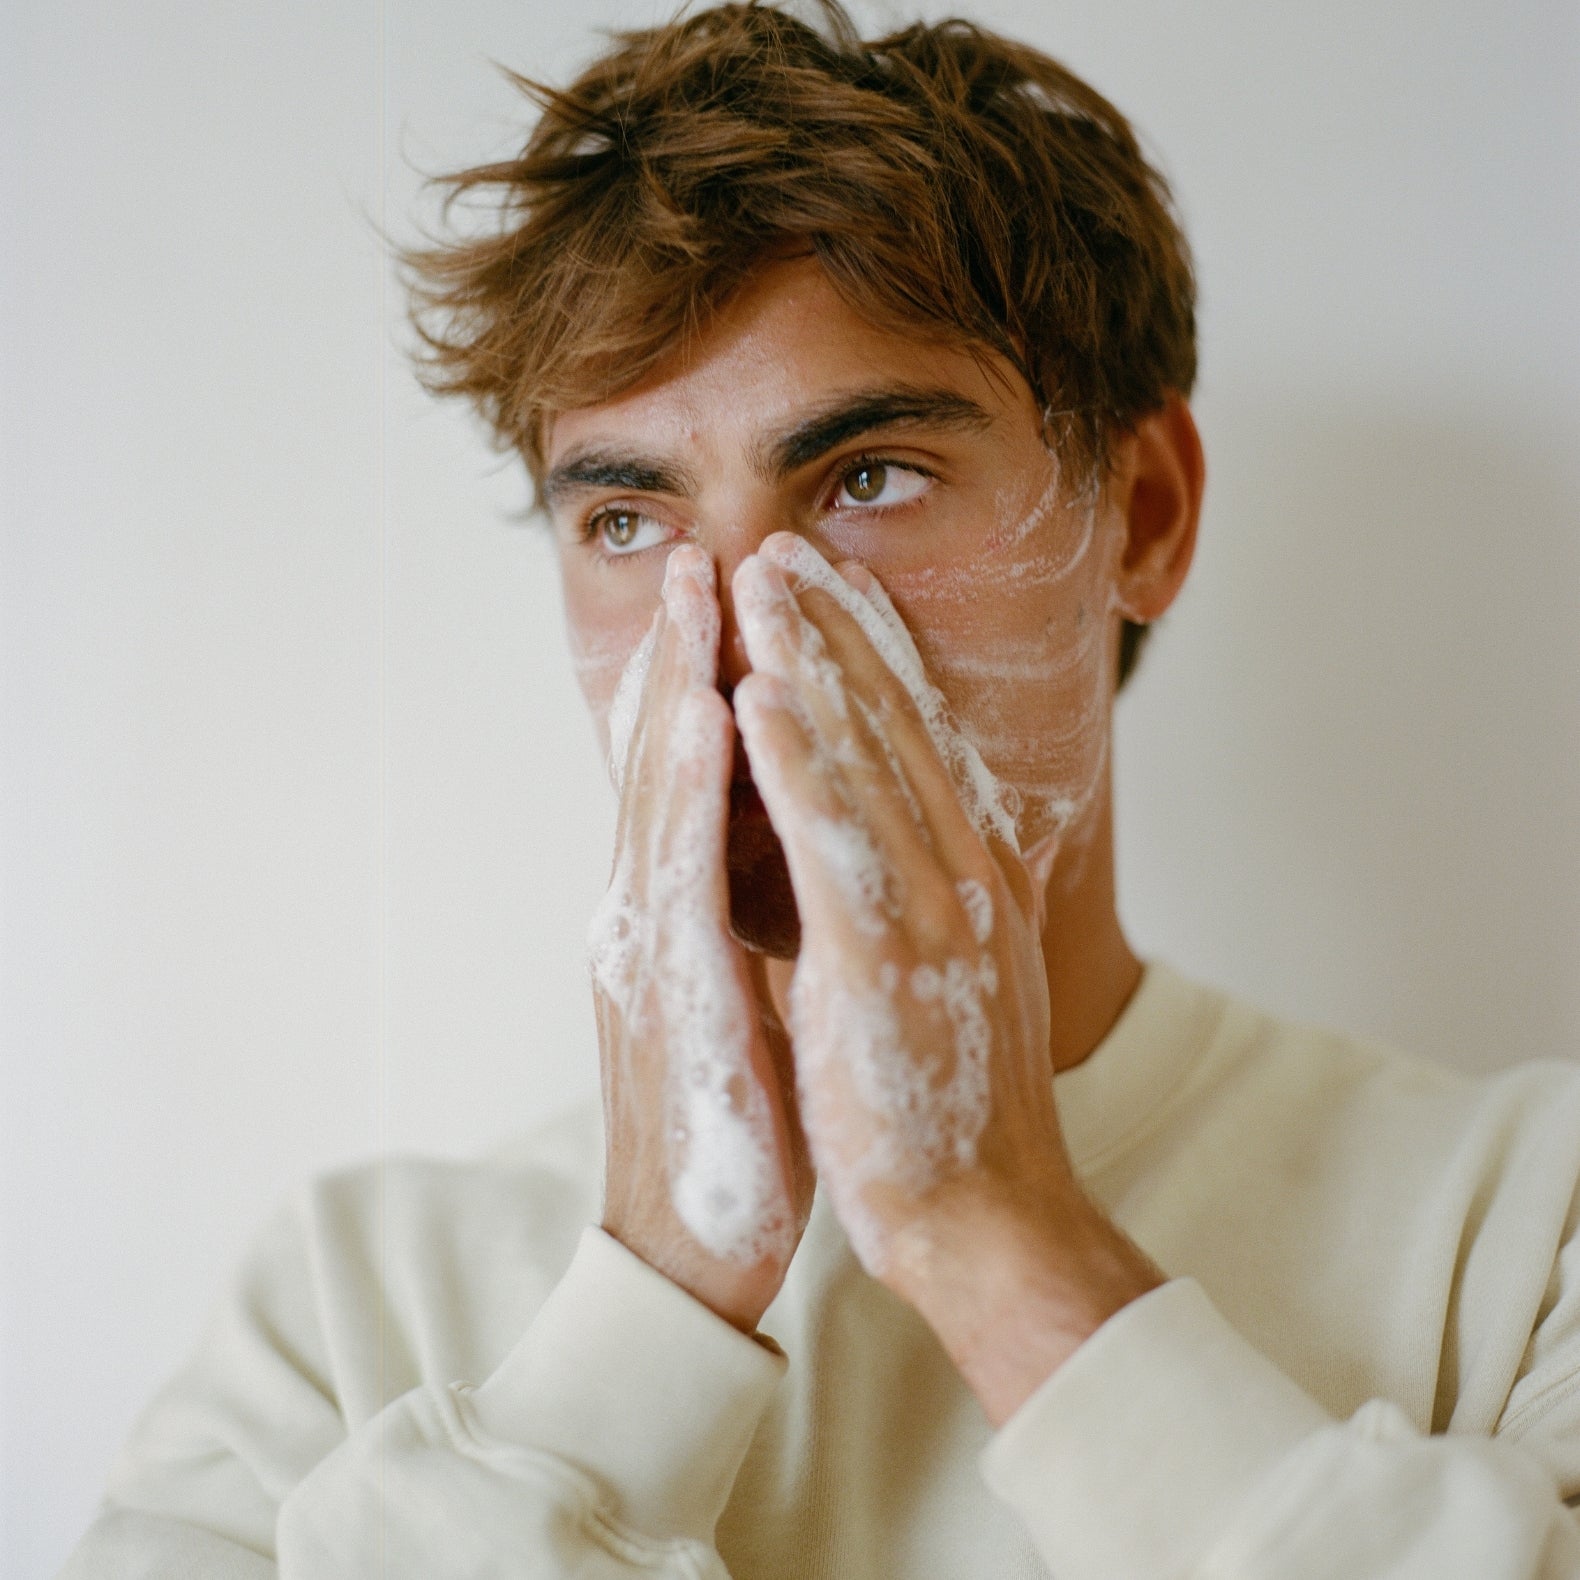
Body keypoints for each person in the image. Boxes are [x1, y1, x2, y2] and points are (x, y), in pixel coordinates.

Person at [59, 3, 1580, 1576]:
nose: (731, 643)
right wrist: (649, 1303)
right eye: (630, 521)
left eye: (865, 480)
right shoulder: (350, 1315)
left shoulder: (1529, 1231)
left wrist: (990, 1231)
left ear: (1143, 514)